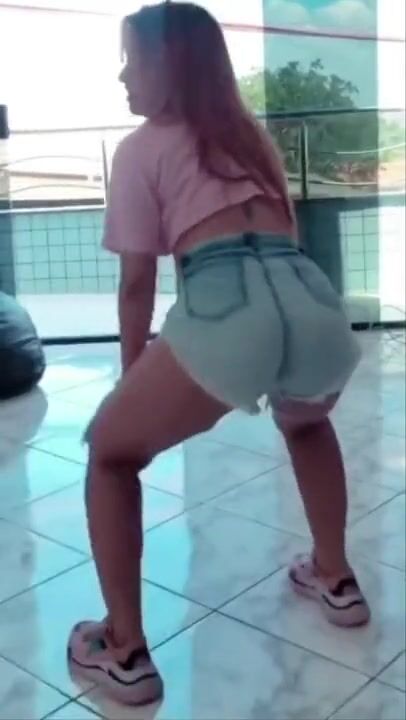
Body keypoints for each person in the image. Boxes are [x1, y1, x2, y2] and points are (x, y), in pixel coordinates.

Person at [68, 1, 370, 706]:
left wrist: (132, 382)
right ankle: (336, 579)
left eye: (131, 60)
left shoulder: (142, 148)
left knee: (110, 452)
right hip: (312, 302)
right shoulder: (252, 140)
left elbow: (137, 283)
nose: (122, 76)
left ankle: (123, 651)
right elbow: (287, 236)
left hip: (230, 303)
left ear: (169, 65)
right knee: (306, 422)